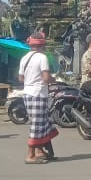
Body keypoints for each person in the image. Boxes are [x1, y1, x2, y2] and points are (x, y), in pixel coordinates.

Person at [18, 32, 58, 164]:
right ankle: (30, 155)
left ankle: (40, 151)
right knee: (37, 125)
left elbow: (21, 78)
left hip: (27, 94)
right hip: (38, 94)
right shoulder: (42, 57)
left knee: (43, 123)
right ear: (43, 44)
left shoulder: (24, 58)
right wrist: (54, 79)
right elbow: (46, 78)